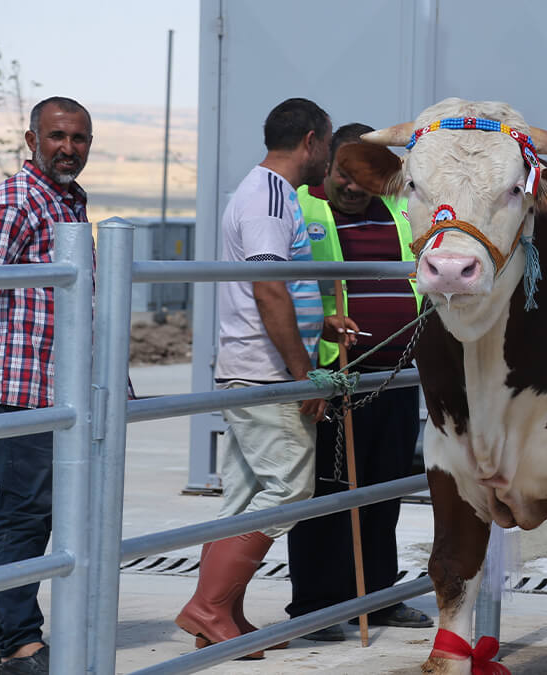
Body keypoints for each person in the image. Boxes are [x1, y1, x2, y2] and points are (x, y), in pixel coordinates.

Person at [175, 98, 340, 658]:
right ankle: (208, 608)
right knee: (290, 490)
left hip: (253, 369)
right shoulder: (269, 197)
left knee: (245, 496)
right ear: (312, 141)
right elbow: (269, 288)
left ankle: (221, 613)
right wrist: (304, 374)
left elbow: (280, 285)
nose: (330, 159)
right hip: (265, 374)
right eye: (329, 146)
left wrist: (322, 320)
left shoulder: (268, 192)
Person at [286, 123, 432, 641]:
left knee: (383, 489)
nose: (353, 186)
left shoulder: (398, 208)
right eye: (343, 175)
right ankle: (315, 604)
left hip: (397, 376)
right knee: (327, 491)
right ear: (327, 167)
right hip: (338, 375)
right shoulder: (302, 208)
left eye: (361, 177)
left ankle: (377, 596)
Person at [0, 95, 93, 675]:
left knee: (46, 514)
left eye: (78, 139)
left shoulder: (69, 201)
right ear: (32, 141)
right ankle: (21, 644)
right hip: (17, 385)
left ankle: (5, 634)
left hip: (58, 389)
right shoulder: (17, 200)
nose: (67, 148)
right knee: (25, 515)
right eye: (56, 137)